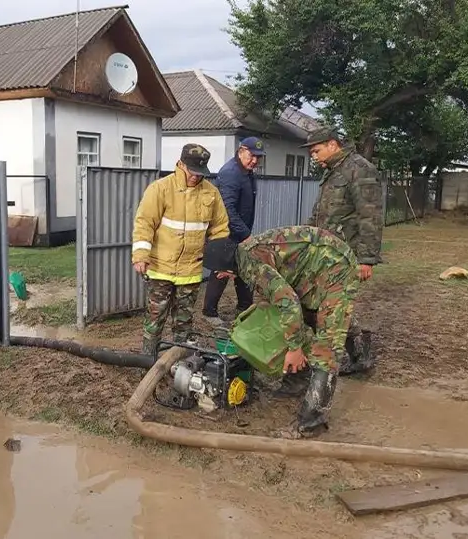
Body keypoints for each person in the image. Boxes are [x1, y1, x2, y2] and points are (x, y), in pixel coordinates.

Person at [203, 226, 359, 439]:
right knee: (303, 320)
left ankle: (311, 423)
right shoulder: (244, 253)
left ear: (225, 269)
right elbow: (278, 300)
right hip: (313, 268)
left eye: (218, 272)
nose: (219, 276)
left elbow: (290, 303)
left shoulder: (253, 266)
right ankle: (298, 381)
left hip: (334, 267)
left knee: (326, 344)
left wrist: (294, 348)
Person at [132, 143, 230, 356]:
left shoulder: (211, 194)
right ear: (181, 164)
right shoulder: (161, 189)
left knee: (183, 324)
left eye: (200, 173)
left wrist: (222, 263)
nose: (196, 177)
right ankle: (147, 363)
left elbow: (220, 230)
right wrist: (140, 255)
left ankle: (180, 364)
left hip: (190, 273)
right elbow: (144, 223)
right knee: (154, 320)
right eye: (192, 171)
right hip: (160, 269)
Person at [300, 127, 383, 377]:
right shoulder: (335, 170)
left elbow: (370, 216)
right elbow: (323, 213)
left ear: (332, 145)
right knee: (320, 304)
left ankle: (355, 354)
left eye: (316, 150)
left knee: (333, 307)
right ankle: (357, 353)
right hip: (325, 253)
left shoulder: (359, 169)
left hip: (345, 255)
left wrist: (366, 260)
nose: (313, 156)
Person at [202, 136, 262, 327]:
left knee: (244, 270)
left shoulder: (246, 172)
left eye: (258, 157)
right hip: (226, 232)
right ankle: (209, 312)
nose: (255, 160)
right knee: (222, 270)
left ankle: (245, 308)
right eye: (252, 155)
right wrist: (246, 234)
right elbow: (228, 210)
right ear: (241, 150)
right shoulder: (231, 173)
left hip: (240, 231)